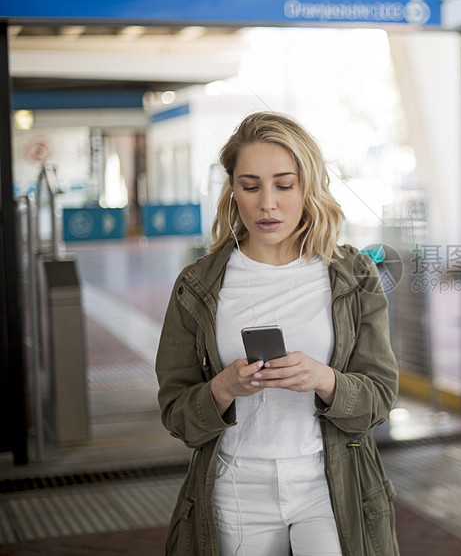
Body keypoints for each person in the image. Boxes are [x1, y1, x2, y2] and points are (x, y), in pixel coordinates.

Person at [155, 111, 400, 556]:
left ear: (309, 187)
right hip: (235, 484)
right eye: (250, 186)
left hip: (330, 483)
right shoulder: (198, 285)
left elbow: (380, 396)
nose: (267, 203)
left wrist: (324, 380)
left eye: (284, 185)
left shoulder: (352, 275)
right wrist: (223, 388)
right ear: (233, 191)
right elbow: (176, 412)